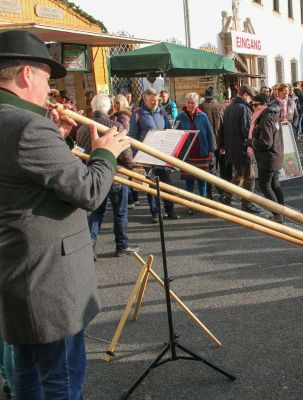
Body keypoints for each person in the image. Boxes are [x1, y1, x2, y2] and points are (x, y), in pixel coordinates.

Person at [0, 30, 129, 397]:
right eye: (46, 79)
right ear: (27, 74)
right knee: (60, 380)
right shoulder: (28, 126)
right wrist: (105, 153)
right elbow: (89, 191)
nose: (48, 89)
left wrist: (58, 139)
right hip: (46, 281)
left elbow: (28, 173)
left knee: (26, 374)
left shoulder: (19, 123)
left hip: (17, 271)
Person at [77, 94, 139, 258]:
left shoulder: (83, 127)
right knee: (120, 213)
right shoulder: (115, 126)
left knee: (97, 212)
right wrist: (131, 167)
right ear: (109, 107)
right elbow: (126, 154)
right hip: (116, 174)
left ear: (92, 107)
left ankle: (90, 245)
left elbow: (81, 152)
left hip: (93, 174)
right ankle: (122, 245)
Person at [129, 87, 180, 222]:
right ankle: (155, 212)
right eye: (152, 100)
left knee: (167, 183)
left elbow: (168, 130)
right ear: (145, 100)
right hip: (146, 156)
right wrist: (136, 158)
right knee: (151, 185)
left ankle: (170, 209)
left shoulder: (162, 111)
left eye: (157, 100)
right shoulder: (137, 114)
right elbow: (132, 137)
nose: (155, 103)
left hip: (162, 154)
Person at [246, 94, 285, 223]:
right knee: (275, 184)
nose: (253, 107)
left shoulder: (265, 118)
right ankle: (281, 213)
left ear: (264, 105)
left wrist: (250, 142)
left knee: (265, 186)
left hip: (268, 158)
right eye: (252, 105)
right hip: (275, 155)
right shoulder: (272, 115)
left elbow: (266, 143)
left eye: (256, 105)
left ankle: (277, 214)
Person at [222, 84, 260, 213]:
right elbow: (246, 131)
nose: (251, 101)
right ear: (245, 95)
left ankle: (226, 196)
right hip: (242, 148)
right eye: (250, 98)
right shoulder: (244, 108)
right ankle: (247, 204)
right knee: (249, 176)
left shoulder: (229, 107)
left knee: (239, 174)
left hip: (232, 147)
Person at [175, 93, 215, 213]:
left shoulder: (203, 116)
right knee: (189, 181)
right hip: (187, 154)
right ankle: (190, 205)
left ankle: (202, 203)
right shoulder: (180, 117)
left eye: (192, 103)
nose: (190, 105)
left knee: (202, 180)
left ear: (197, 104)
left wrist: (211, 149)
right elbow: (175, 134)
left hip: (201, 153)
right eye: (188, 102)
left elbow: (209, 133)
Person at [199, 86, 224, 199]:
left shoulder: (200, 108)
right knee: (217, 168)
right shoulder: (220, 107)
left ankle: (209, 192)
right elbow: (224, 126)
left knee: (208, 168)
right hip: (218, 142)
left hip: (206, 143)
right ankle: (221, 191)